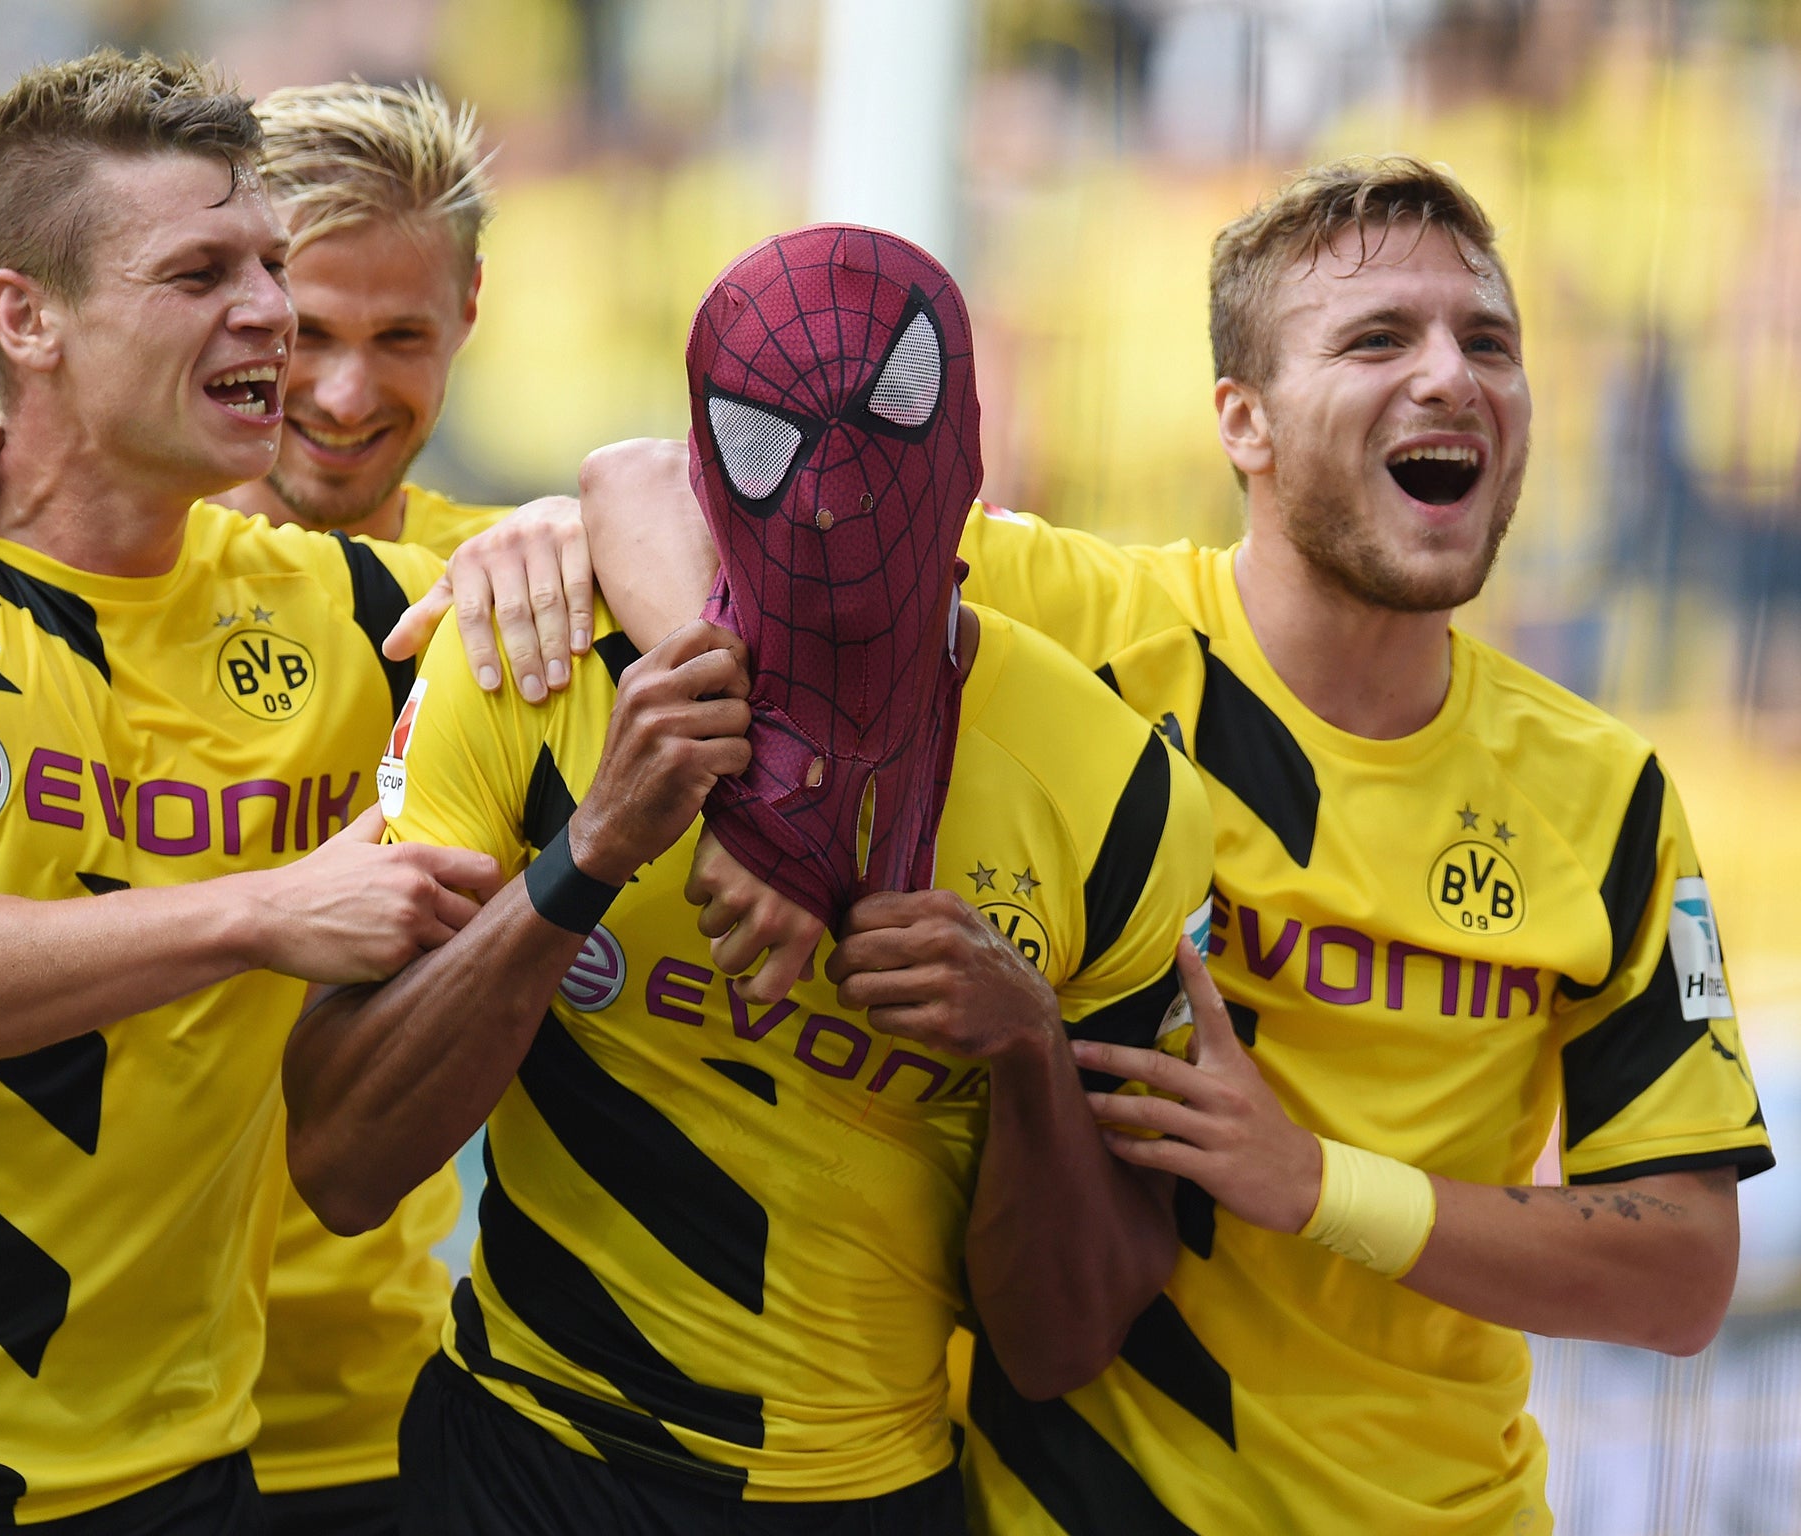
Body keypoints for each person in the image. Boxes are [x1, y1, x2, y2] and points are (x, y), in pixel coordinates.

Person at [579, 157, 1772, 1533]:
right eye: (1380, 337)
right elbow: (653, 481)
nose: (1452, 376)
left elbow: (1682, 1275)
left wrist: (1320, 1187)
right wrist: (759, 799)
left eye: (1487, 341)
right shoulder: (1068, 626)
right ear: (1244, 423)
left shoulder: (1606, 794)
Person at [283, 223, 1216, 1534]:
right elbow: (340, 1163)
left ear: (966, 445)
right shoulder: (535, 664)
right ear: (716, 458)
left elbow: (1062, 1346)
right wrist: (589, 855)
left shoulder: (1119, 791)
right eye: (772, 445)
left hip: (862, 1495)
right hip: (518, 1458)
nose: (832, 496)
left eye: (881, 427)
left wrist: (1027, 1053)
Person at [0, 79, 582, 1535]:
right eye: (214, 278)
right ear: (28, 318)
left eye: (275, 271)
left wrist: (594, 515)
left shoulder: (375, 607)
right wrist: (267, 910)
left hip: (222, 1456)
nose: (281, 328)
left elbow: (748, 566)